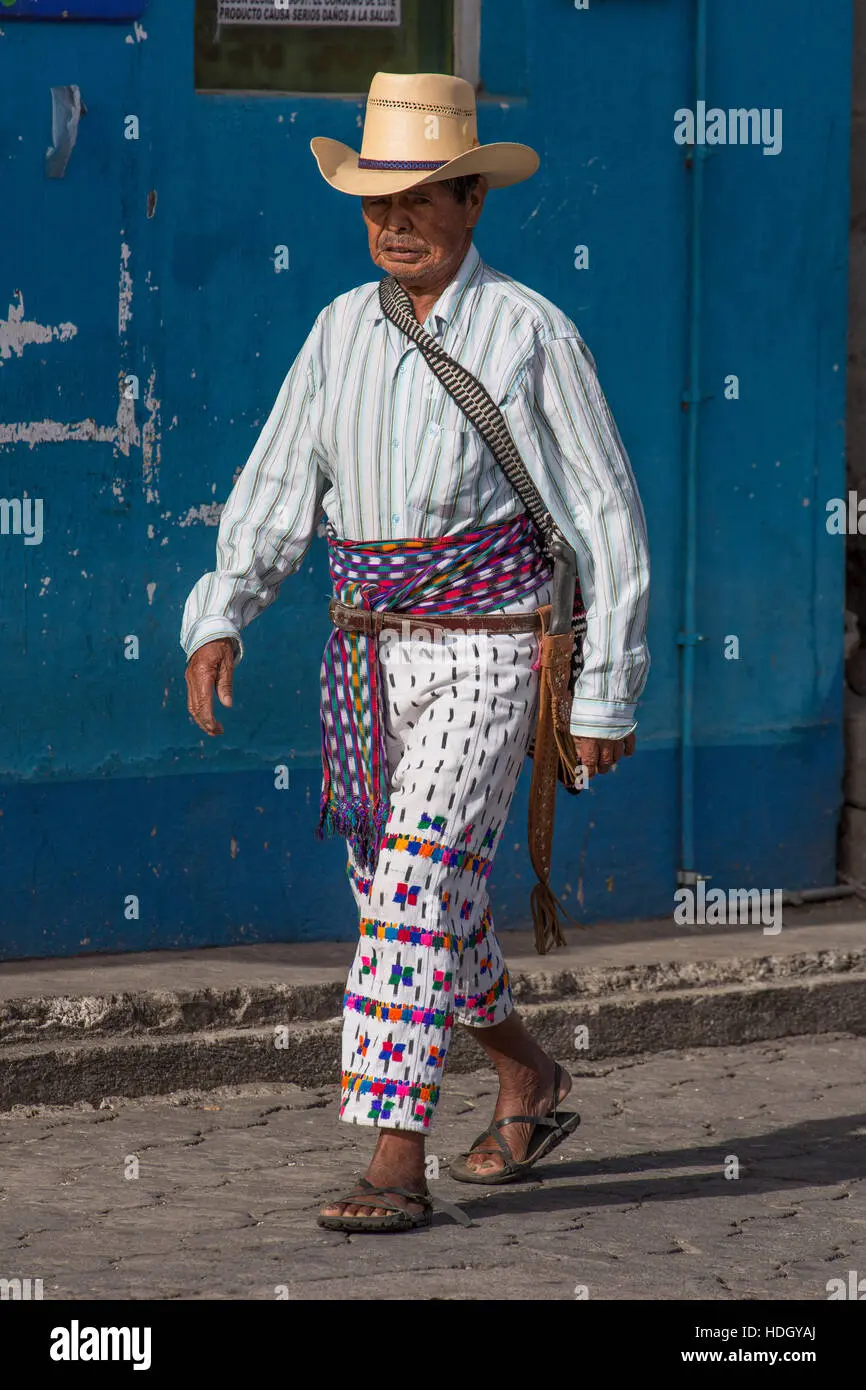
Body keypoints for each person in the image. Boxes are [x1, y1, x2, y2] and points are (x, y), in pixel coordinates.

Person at [181, 71, 650, 1233]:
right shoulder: (338, 331)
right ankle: (530, 1074)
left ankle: (396, 1157)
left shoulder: (531, 332)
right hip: (366, 666)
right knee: (419, 905)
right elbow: (281, 483)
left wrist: (605, 688)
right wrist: (222, 610)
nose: (395, 221)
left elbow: (605, 518)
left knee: (411, 894)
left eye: (423, 197)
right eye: (376, 201)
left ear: (471, 204)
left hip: (493, 653)